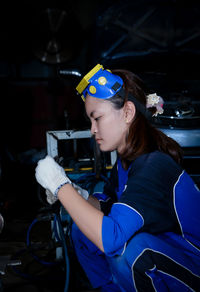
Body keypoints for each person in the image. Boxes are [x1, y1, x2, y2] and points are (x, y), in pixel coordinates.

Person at [35, 64, 200, 292]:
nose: (93, 130)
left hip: (192, 266)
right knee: (82, 230)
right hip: (166, 255)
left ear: (128, 113)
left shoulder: (153, 165)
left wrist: (59, 185)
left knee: (134, 250)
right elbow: (108, 207)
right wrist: (76, 193)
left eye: (97, 118)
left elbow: (111, 238)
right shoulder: (126, 164)